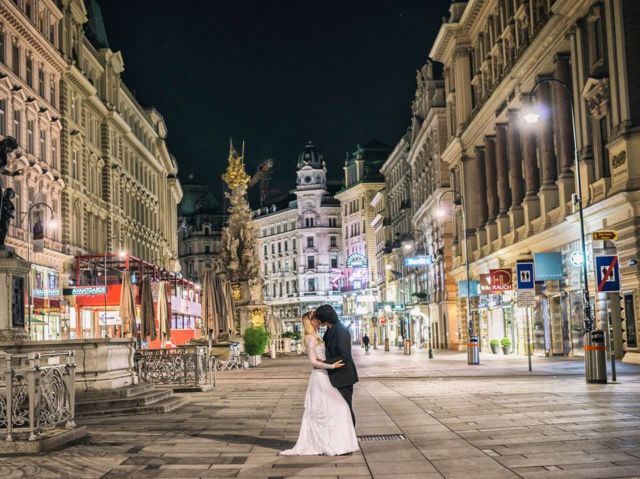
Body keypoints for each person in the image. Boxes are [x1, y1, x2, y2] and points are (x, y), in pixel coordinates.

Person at [279, 311, 359, 456]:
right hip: (320, 377)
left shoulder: (319, 336)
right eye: (316, 318)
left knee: (335, 410)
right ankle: (326, 443)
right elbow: (313, 362)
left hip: (326, 377)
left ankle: (336, 442)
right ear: (311, 320)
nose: (319, 321)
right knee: (331, 410)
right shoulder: (310, 338)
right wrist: (331, 366)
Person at [315, 304, 358, 426]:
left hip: (343, 377)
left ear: (325, 318)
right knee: (339, 408)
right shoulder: (330, 329)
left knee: (345, 407)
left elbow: (345, 356)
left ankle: (350, 436)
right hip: (335, 375)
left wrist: (324, 363)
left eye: (319, 318)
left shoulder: (341, 330)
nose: (318, 321)